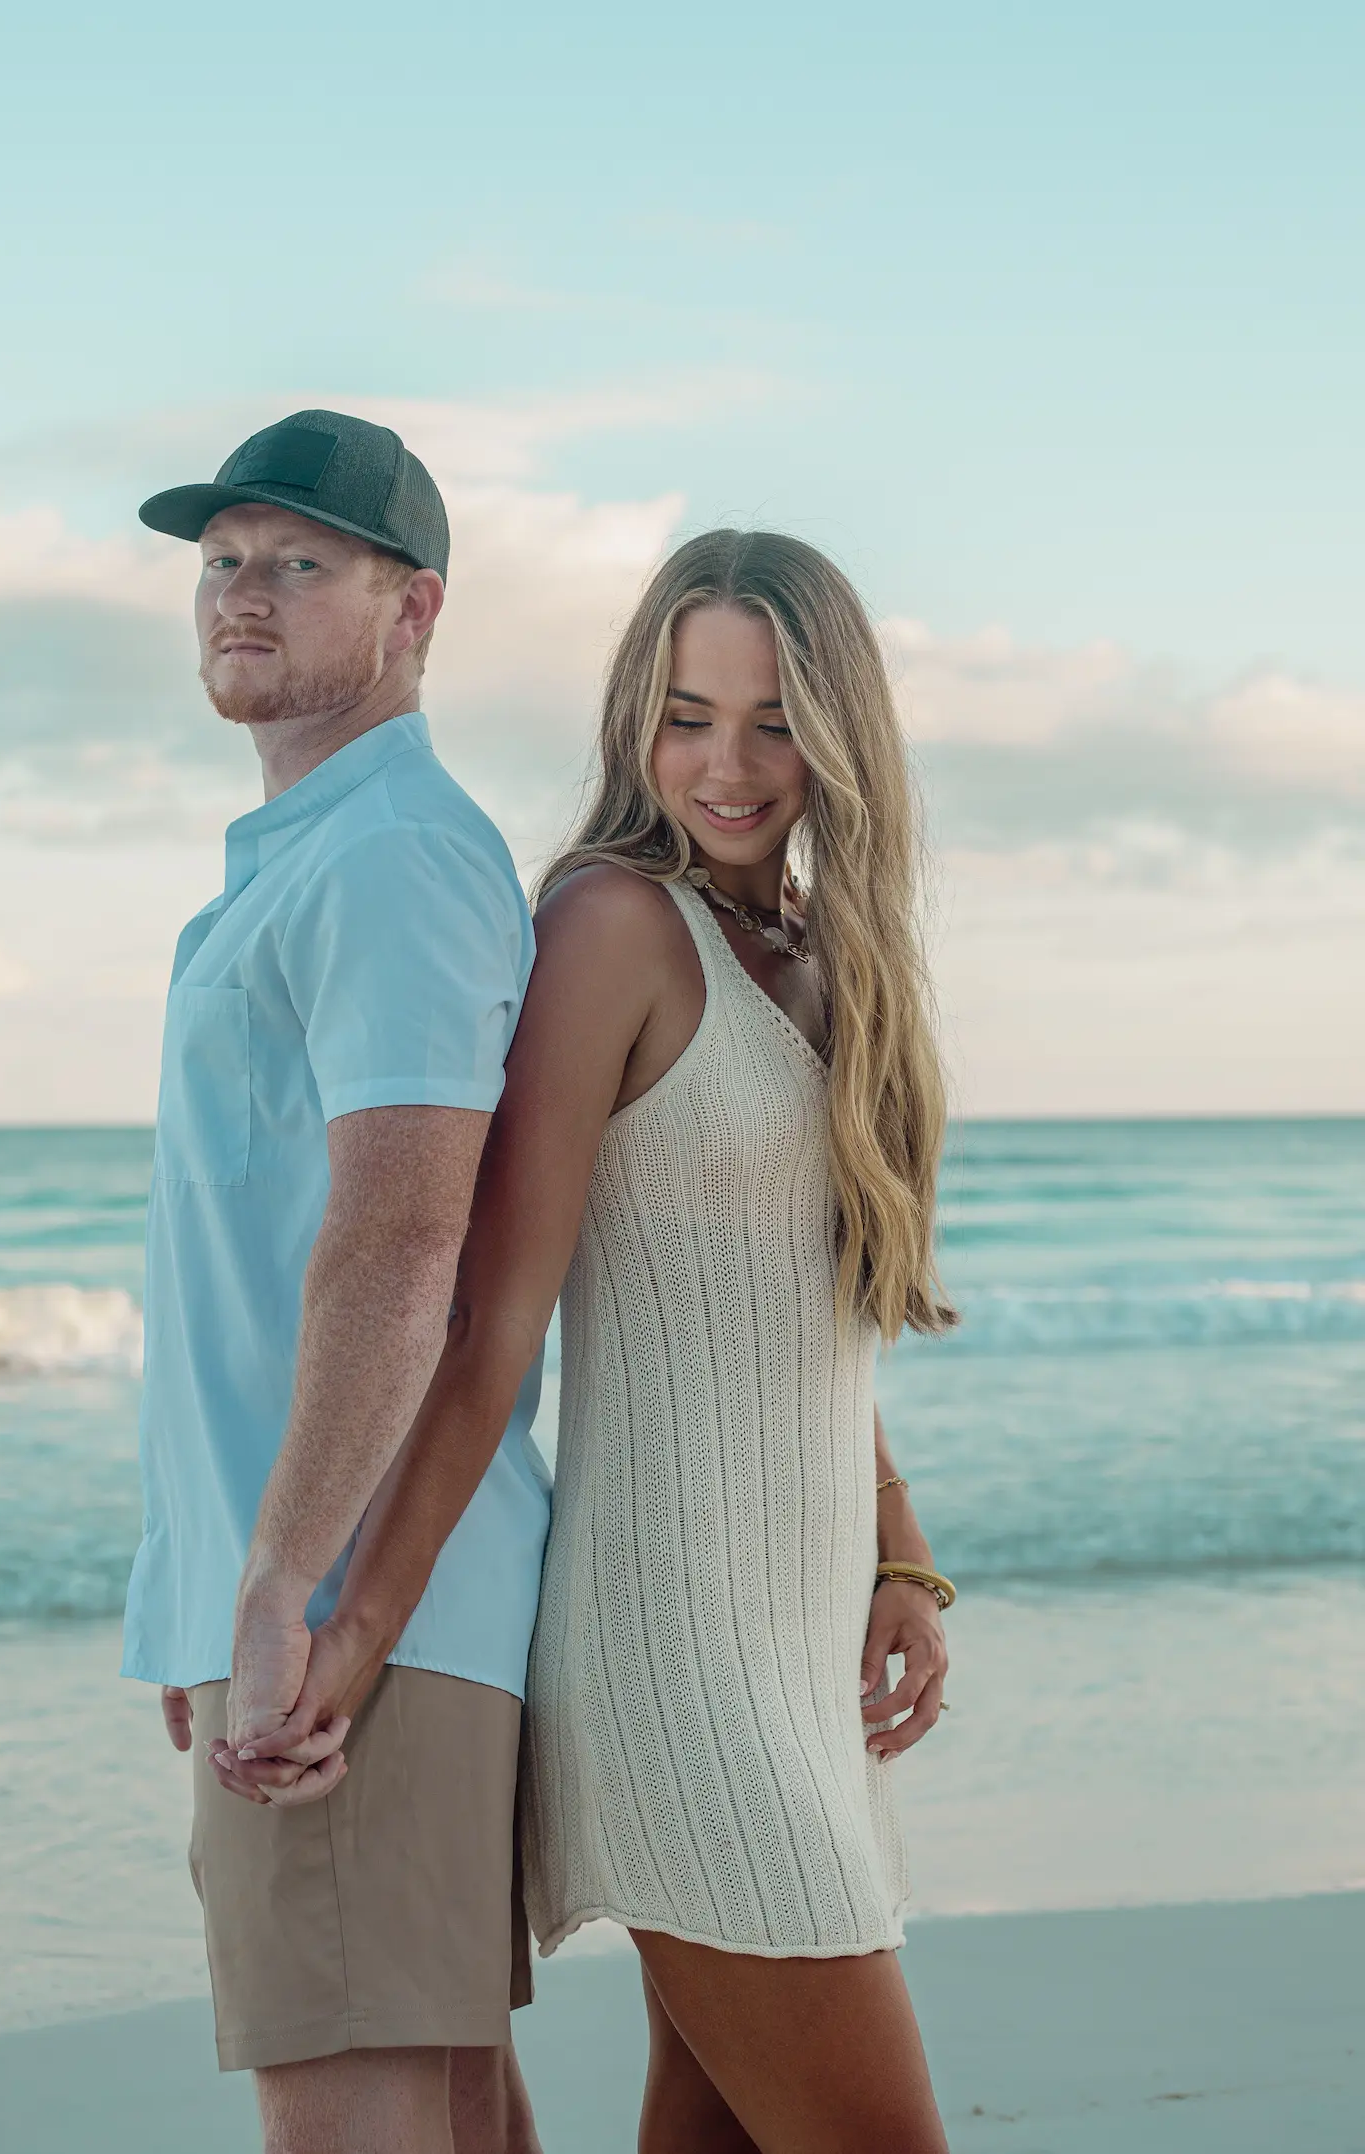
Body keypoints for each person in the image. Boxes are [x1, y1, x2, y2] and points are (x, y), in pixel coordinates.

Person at [262, 528, 958, 2152]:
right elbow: (492, 1319)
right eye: (686, 715)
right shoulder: (611, 925)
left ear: (840, 735)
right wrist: (354, 1626)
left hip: (795, 1651)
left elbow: (792, 1312)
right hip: (673, 1660)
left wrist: (901, 1550)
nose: (726, 765)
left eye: (774, 723)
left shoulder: (825, 956)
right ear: (636, 716)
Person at [118, 409, 551, 2154]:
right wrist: (205, 1578)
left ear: (413, 608)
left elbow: (400, 1240)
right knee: (452, 2115)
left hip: (352, 1623)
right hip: (329, 1610)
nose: (244, 592)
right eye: (223, 560)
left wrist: (277, 1581)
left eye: (301, 562)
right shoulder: (318, 854)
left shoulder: (389, 857)